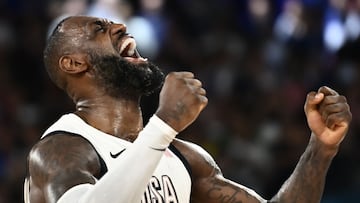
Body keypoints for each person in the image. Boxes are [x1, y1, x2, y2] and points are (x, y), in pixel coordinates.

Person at [24, 15, 352, 203]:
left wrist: (321, 148)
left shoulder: (181, 157)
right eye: (100, 29)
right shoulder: (60, 150)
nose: (120, 27)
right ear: (73, 63)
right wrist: (164, 125)